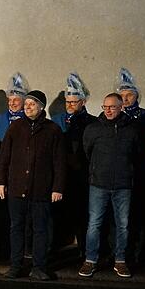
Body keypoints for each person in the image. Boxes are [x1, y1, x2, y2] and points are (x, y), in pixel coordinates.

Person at [0, 90, 66, 280]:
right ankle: (16, 265)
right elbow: (4, 157)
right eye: (26, 104)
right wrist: (0, 182)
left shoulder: (52, 130)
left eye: (32, 104)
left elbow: (59, 162)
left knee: (41, 229)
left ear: (41, 107)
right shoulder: (15, 128)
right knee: (16, 228)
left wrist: (57, 187)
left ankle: (39, 267)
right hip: (17, 189)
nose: (27, 107)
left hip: (41, 190)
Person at [78, 93, 140, 279]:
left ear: (121, 107)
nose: (108, 110)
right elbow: (87, 152)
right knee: (94, 224)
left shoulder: (132, 130)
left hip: (123, 185)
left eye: (112, 107)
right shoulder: (93, 129)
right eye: (105, 107)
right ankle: (90, 260)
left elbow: (137, 154)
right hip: (99, 184)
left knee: (123, 225)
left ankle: (120, 261)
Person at [117, 67, 145, 266]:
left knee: (141, 214)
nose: (125, 99)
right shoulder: (114, 116)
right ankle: (121, 253)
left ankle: (142, 253)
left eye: (129, 96)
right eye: (122, 96)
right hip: (120, 173)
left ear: (136, 97)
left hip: (141, 173)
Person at [52, 73, 97, 257]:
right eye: (67, 102)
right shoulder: (56, 121)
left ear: (83, 102)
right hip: (61, 174)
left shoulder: (92, 122)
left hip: (82, 175)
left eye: (74, 102)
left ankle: (85, 249)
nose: (70, 105)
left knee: (83, 214)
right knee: (61, 213)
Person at [0, 72, 30, 142]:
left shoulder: (30, 119)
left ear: (24, 100)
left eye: (16, 100)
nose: (12, 103)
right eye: (10, 100)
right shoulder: (1, 119)